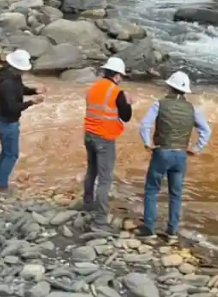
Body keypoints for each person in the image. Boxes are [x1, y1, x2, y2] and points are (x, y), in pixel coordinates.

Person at [135, 71, 211, 242]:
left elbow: (144, 125)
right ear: (185, 91)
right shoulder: (193, 109)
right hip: (181, 154)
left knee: (152, 190)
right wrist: (196, 148)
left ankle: (149, 229)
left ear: (169, 87)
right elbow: (206, 130)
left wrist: (147, 143)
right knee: (175, 194)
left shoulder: (159, 104)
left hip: (162, 152)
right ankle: (172, 233)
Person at [82, 56, 133, 231]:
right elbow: (126, 117)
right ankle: (100, 221)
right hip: (104, 138)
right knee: (105, 179)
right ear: (117, 76)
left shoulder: (92, 88)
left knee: (91, 171)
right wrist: (128, 102)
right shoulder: (116, 92)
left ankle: (87, 202)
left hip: (88, 134)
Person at [0, 49, 45, 195]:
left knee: (6, 154)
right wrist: (31, 102)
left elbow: (19, 90)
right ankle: (1, 187)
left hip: (3, 120)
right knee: (11, 155)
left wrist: (34, 91)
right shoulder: (8, 83)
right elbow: (12, 108)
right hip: (7, 123)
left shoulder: (8, 74)